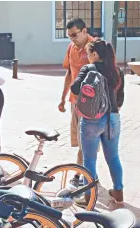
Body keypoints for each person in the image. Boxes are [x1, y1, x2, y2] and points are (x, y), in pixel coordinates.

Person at [71, 38, 125, 204]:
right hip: (113, 118)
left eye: (88, 54)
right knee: (114, 158)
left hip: (92, 119)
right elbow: (120, 98)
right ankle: (118, 193)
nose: (87, 57)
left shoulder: (88, 69)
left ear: (95, 54)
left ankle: (89, 197)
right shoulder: (117, 71)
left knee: (89, 159)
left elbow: (74, 88)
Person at [58, 18, 95, 186]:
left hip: (91, 104)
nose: (72, 38)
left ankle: (81, 175)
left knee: (86, 140)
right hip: (75, 101)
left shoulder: (95, 48)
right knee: (80, 140)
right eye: (69, 36)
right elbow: (69, 73)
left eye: (74, 35)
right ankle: (87, 173)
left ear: (84, 31)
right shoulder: (71, 47)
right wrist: (63, 98)